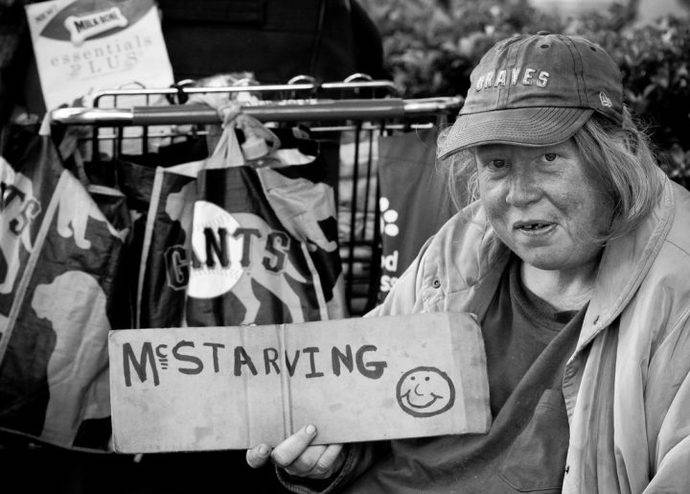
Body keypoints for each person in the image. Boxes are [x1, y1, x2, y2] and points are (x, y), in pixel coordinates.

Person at [246, 32, 690, 493]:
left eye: (549, 157)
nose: (519, 194)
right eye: (497, 164)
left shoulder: (676, 289)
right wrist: (330, 454)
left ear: (618, 156)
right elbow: (365, 392)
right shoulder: (463, 240)